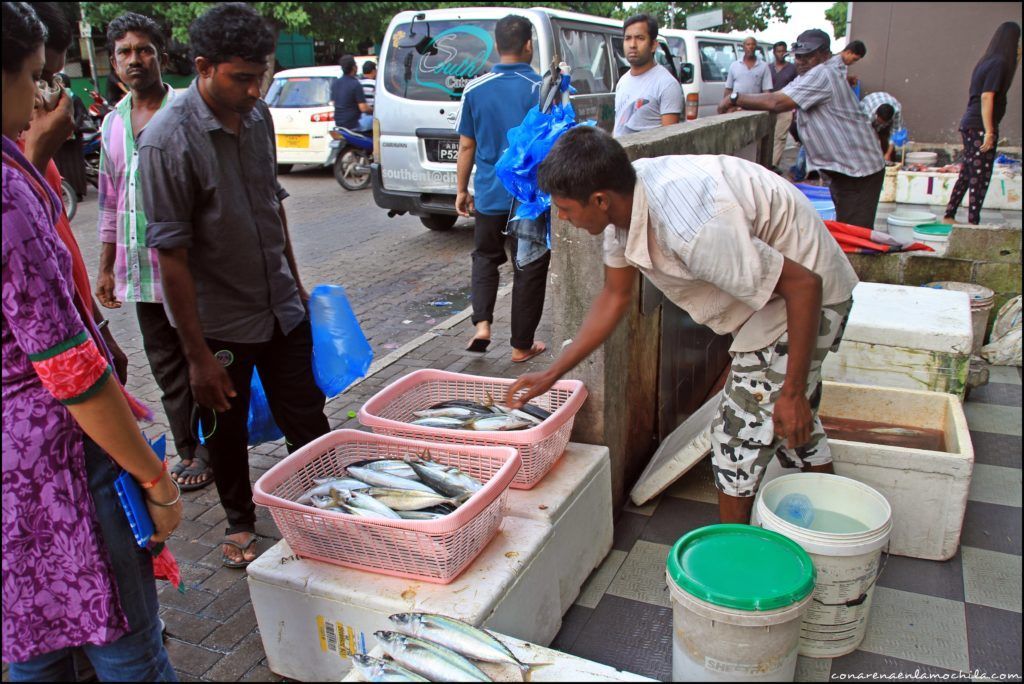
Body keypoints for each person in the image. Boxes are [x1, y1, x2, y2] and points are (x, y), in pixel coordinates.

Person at [506, 126, 858, 524]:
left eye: (566, 209)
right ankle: (834, 525)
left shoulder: (693, 229)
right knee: (788, 426)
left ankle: (732, 564)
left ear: (599, 200)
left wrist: (792, 390)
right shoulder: (623, 207)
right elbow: (615, 296)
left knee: (735, 439)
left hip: (808, 299)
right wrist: (552, 372)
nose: (564, 220)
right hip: (781, 294)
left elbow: (805, 286)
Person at [2, 3, 181, 680]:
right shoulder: (7, 191)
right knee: (127, 648)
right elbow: (69, 369)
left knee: (33, 643)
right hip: (56, 464)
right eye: (32, 78)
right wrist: (153, 478)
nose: (39, 98)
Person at [139, 2, 330, 568]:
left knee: (306, 414)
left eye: (261, 75)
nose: (255, 89)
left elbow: (273, 206)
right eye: (242, 78)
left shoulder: (259, 118)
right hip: (219, 321)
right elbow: (170, 258)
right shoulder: (166, 142)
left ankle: (323, 505)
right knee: (224, 427)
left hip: (280, 306)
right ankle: (240, 521)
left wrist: (295, 283)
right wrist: (195, 355)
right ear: (203, 66)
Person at [96, 13, 215, 493]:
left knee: (200, 356)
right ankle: (188, 449)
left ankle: (213, 447)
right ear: (113, 62)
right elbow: (109, 201)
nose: (134, 60)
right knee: (166, 366)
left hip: (190, 267)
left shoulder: (188, 110)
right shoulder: (111, 123)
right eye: (124, 52)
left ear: (161, 57)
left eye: (143, 50)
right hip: (142, 273)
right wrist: (104, 269)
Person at [18, 1, 130, 383]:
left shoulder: (34, 147)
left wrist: (100, 330)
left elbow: (59, 255)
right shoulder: (23, 158)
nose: (48, 97)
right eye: (38, 78)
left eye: (53, 80)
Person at [456, 14, 548, 362]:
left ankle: (482, 325)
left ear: (496, 45)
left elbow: (467, 146)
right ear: (528, 45)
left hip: (490, 193)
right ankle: (521, 346)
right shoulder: (543, 88)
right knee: (529, 267)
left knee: (485, 257)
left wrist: (461, 190)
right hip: (529, 199)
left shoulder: (475, 89)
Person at [727, 29, 885, 230]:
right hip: (845, 169)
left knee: (855, 235)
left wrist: (734, 98)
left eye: (808, 56)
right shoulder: (809, 73)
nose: (800, 61)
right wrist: (744, 103)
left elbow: (776, 102)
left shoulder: (823, 73)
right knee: (847, 227)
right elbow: (780, 94)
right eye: (798, 56)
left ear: (824, 55)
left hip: (858, 171)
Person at [944, 22, 1021, 226]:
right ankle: (973, 224)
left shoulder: (989, 61)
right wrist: (989, 131)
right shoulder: (999, 64)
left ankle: (949, 215)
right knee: (980, 176)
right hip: (979, 126)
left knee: (969, 172)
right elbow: (987, 97)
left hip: (972, 124)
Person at [613, 13, 682, 137]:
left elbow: (670, 141)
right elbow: (618, 127)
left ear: (653, 45)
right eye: (628, 38)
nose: (632, 45)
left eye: (640, 38)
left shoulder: (667, 84)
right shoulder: (622, 82)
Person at [718, 37, 773, 114]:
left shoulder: (763, 66)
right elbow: (728, 89)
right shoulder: (734, 65)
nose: (750, 47)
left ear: (756, 47)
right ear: (743, 47)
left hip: (755, 108)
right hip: (737, 108)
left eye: (753, 44)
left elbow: (766, 92)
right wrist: (725, 106)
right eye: (748, 44)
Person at [769, 40, 798, 170]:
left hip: (785, 107)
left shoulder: (792, 69)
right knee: (768, 136)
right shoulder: (768, 68)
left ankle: (774, 164)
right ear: (774, 53)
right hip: (768, 106)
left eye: (783, 51)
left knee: (780, 137)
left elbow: (797, 88)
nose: (781, 54)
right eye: (778, 51)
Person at [859, 91, 902, 161]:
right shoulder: (867, 113)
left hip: (886, 102)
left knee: (885, 140)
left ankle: (887, 157)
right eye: (879, 121)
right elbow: (866, 134)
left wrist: (888, 154)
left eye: (884, 123)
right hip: (869, 105)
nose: (881, 124)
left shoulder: (896, 112)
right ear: (876, 114)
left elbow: (895, 133)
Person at [331, 54, 369, 131]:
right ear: (354, 67)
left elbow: (334, 102)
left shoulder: (335, 83)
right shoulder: (355, 84)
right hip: (353, 124)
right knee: (373, 120)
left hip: (339, 124)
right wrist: (373, 110)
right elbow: (363, 108)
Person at [358, 60, 376, 132]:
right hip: (370, 117)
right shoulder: (374, 84)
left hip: (359, 118)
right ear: (373, 71)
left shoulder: (358, 83)